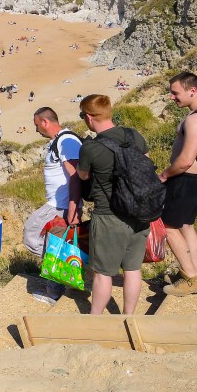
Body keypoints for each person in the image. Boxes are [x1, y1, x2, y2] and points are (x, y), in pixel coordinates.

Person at [76, 94, 150, 315]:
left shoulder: (91, 147)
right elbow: (147, 162)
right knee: (133, 269)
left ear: (89, 117)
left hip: (109, 215)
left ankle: (95, 320)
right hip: (139, 213)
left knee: (103, 273)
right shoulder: (133, 135)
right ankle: (128, 317)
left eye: (82, 115)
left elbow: (83, 176)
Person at [159, 72, 197, 296]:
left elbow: (185, 161)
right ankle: (196, 272)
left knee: (169, 227)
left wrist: (164, 175)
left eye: (175, 93)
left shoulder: (196, 119)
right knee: (186, 225)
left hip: (186, 180)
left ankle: (191, 277)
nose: (172, 97)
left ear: (192, 91)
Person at [26, 107, 83, 304]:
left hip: (60, 205)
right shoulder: (58, 141)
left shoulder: (66, 141)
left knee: (33, 237)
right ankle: (58, 278)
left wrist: (74, 208)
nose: (36, 130)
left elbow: (75, 176)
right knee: (53, 244)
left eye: (36, 125)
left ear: (44, 122)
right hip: (57, 203)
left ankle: (55, 287)